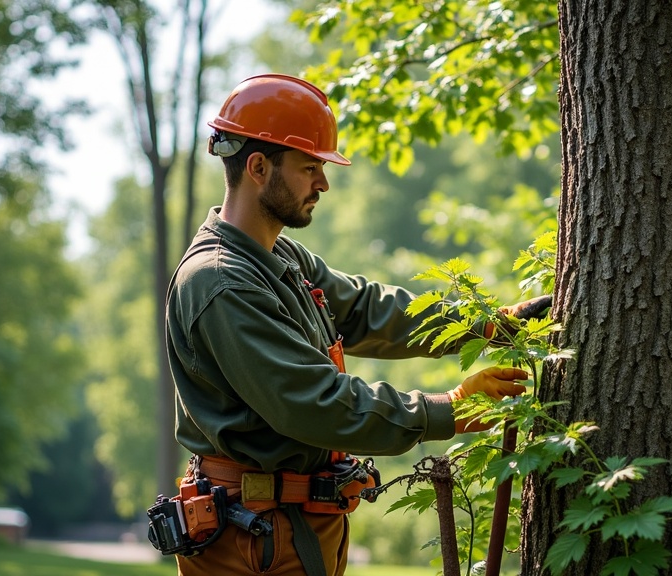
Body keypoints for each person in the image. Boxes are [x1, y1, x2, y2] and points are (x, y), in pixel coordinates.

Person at [163, 73, 545, 576]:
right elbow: (315, 404)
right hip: (252, 539)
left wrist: (486, 326)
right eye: (309, 168)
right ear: (258, 167)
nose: (322, 183)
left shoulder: (276, 255)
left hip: (290, 525)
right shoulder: (222, 283)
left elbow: (367, 308)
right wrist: (447, 409)